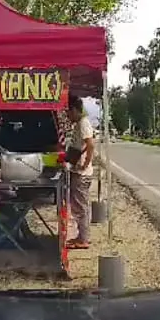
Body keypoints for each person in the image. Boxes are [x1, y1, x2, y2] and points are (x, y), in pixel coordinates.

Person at [65, 94, 95, 249]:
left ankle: (84, 239)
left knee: (80, 207)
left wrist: (86, 164)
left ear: (75, 110)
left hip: (82, 174)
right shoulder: (79, 124)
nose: (68, 116)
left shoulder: (83, 123)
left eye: (69, 112)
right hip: (78, 171)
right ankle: (82, 236)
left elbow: (90, 145)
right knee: (79, 206)